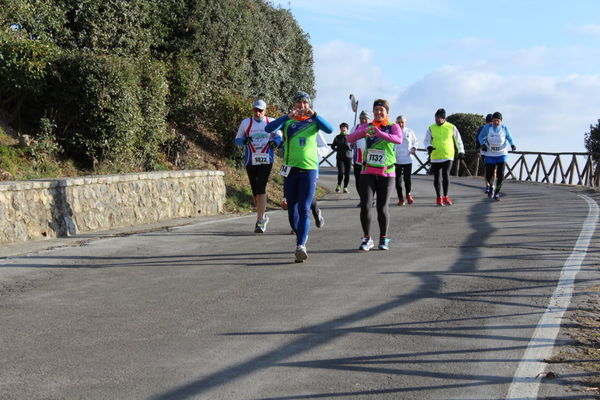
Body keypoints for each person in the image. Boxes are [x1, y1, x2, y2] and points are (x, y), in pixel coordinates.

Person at [265, 91, 333, 262]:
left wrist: (315, 115)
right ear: (294, 105)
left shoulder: (314, 122)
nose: (302, 106)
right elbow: (268, 128)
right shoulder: (287, 122)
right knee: (292, 211)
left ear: (309, 105)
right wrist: (287, 116)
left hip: (309, 170)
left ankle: (301, 245)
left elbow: (330, 129)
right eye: (298, 103)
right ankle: (299, 238)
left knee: (304, 208)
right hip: (290, 170)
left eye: (305, 103)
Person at [347, 99, 402, 251]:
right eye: (376, 110)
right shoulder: (368, 126)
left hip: (387, 173)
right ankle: (367, 238)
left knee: (382, 207)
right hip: (367, 171)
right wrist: (362, 132)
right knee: (365, 205)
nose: (378, 112)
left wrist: (381, 134)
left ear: (386, 113)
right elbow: (349, 138)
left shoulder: (392, 126)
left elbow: (398, 139)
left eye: (381, 110)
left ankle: (383, 238)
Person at [234, 99, 282, 233]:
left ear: (265, 111)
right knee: (255, 192)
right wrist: (244, 140)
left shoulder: (271, 122)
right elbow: (237, 140)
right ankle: (263, 215)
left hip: (266, 159)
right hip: (251, 160)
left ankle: (259, 221)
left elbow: (279, 137)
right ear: (252, 110)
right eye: (256, 110)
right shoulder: (246, 123)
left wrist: (276, 143)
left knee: (261, 188)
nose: (258, 113)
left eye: (260, 110)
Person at [423, 108, 465, 206]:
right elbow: (426, 140)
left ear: (443, 118)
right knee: (437, 178)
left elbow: (458, 140)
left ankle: (446, 196)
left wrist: (461, 151)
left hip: (448, 155)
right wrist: (428, 147)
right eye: (436, 118)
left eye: (439, 118)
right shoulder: (431, 128)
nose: (437, 120)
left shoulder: (451, 127)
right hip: (435, 155)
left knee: (446, 175)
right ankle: (438, 198)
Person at [478, 111, 516, 201]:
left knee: (500, 174)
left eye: (498, 120)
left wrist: (512, 144)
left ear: (501, 121)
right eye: (495, 120)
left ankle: (497, 193)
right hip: (490, 154)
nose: (496, 122)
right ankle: (492, 186)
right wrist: (482, 144)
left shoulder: (504, 128)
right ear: (492, 120)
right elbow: (480, 137)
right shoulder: (487, 128)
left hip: (501, 154)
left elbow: (510, 137)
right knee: (488, 175)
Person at [393, 115, 418, 206]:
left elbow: (415, 142)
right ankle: (400, 199)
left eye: (402, 122)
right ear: (396, 123)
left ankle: (408, 194)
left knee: (407, 179)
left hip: (407, 158)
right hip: (396, 159)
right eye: (398, 122)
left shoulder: (409, 131)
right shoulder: (393, 132)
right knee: (398, 181)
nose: (400, 124)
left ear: (405, 123)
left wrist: (414, 148)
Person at [350, 111, 370, 207]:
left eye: (365, 118)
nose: (364, 120)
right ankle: (363, 199)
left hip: (369, 160)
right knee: (358, 182)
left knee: (368, 182)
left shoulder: (372, 127)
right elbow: (349, 139)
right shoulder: (355, 128)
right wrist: (351, 143)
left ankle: (369, 199)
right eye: (362, 118)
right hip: (358, 159)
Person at [330, 122, 353, 193]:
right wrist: (337, 150)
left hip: (348, 157)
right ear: (340, 129)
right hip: (340, 157)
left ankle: (345, 187)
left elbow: (353, 145)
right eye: (342, 128)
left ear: (347, 129)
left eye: (345, 128)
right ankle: (339, 185)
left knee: (347, 173)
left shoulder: (350, 136)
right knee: (341, 172)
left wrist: (350, 147)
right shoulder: (337, 137)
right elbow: (332, 146)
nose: (343, 129)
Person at [476, 113, 493, 193]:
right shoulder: (482, 128)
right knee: (489, 169)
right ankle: (488, 186)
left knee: (491, 170)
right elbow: (477, 138)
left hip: (492, 152)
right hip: (485, 152)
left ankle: (490, 185)